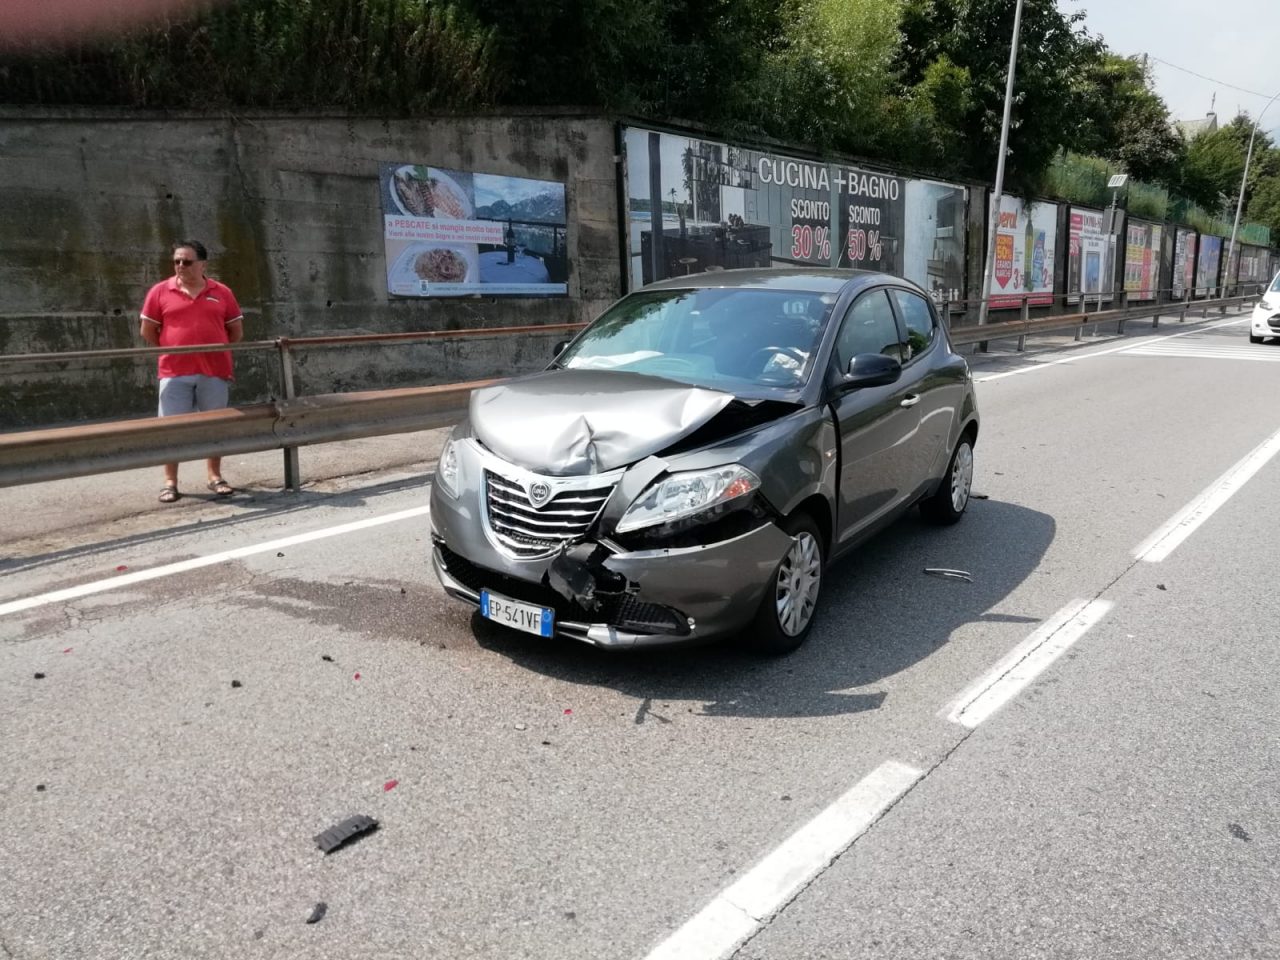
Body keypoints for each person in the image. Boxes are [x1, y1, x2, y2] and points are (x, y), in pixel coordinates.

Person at [139, 240, 244, 503]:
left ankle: (214, 476)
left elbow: (236, 332)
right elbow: (148, 331)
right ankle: (170, 482)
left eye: (186, 261)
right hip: (174, 371)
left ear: (202, 264)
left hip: (214, 371)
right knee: (171, 429)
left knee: (215, 427)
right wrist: (173, 350)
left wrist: (213, 350)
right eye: (176, 261)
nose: (180, 266)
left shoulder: (222, 292)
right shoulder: (160, 291)